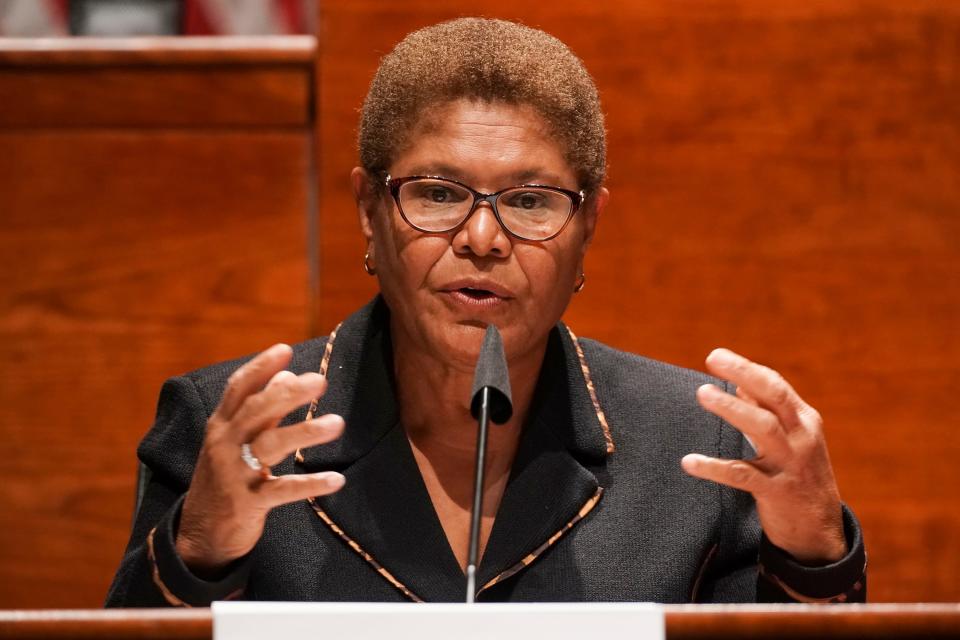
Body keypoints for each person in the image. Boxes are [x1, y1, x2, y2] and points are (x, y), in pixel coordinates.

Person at [106, 18, 865, 606]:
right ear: (369, 208)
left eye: (531, 202)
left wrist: (815, 553)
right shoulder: (229, 429)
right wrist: (199, 549)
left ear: (588, 226)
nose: (481, 238)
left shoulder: (703, 452)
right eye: (438, 193)